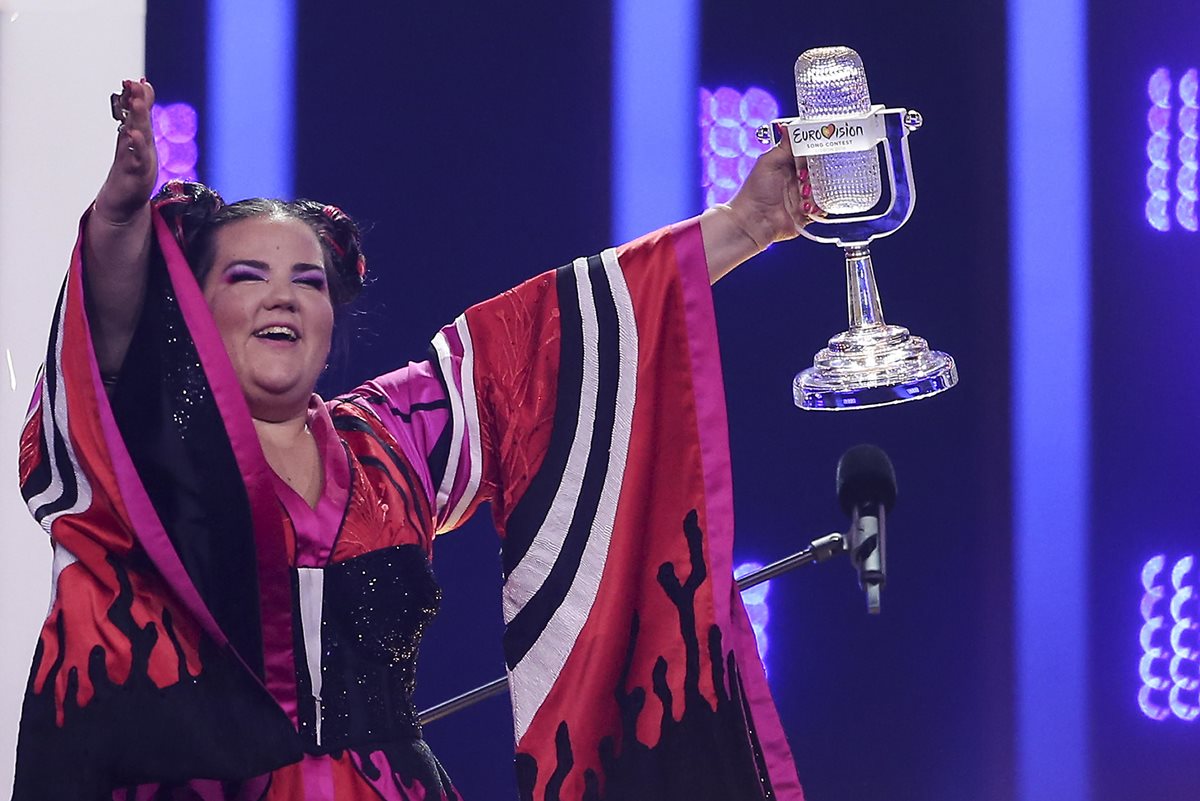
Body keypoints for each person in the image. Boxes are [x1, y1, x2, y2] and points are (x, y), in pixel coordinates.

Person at [12, 78, 814, 800]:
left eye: (309, 281)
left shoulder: (386, 442)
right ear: (194, 311)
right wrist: (120, 217)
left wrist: (746, 224)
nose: (282, 297)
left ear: (334, 320)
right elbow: (103, 349)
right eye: (247, 276)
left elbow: (549, 338)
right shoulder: (155, 448)